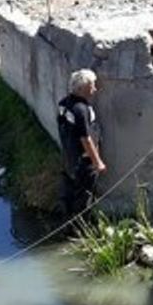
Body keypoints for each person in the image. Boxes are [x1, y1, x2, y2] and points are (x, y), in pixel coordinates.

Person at [57, 69, 106, 219]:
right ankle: (80, 228)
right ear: (81, 89)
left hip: (68, 157)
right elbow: (85, 138)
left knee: (69, 192)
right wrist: (97, 162)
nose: (95, 89)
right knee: (84, 198)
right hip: (83, 162)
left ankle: (67, 221)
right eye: (92, 86)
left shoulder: (64, 103)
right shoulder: (80, 110)